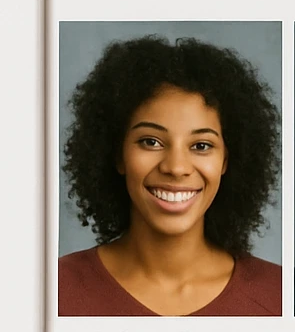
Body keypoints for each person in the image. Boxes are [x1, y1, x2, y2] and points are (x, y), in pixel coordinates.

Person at [59, 36, 281, 316]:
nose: (176, 167)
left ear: (226, 160)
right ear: (117, 155)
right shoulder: (52, 290)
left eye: (201, 146)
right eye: (150, 141)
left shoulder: (280, 296)